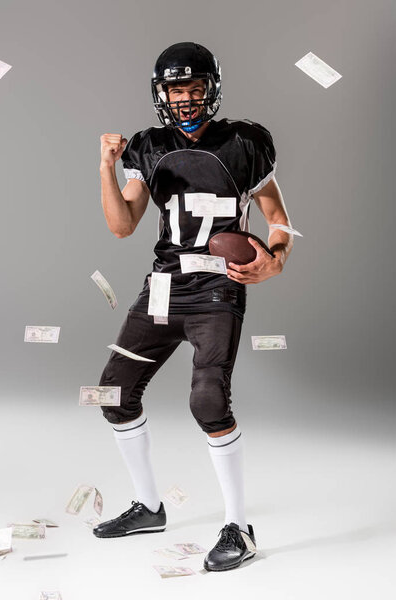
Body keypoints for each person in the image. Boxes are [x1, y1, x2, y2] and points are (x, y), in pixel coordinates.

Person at [94, 41, 294, 572]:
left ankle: (240, 527)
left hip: (216, 288)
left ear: (211, 89)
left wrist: (275, 259)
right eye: (174, 89)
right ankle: (150, 507)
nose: (184, 98)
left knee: (207, 400)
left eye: (193, 87)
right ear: (161, 93)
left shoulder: (245, 141)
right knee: (113, 394)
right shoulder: (149, 146)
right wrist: (106, 167)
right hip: (164, 285)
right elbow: (121, 226)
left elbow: (277, 217)